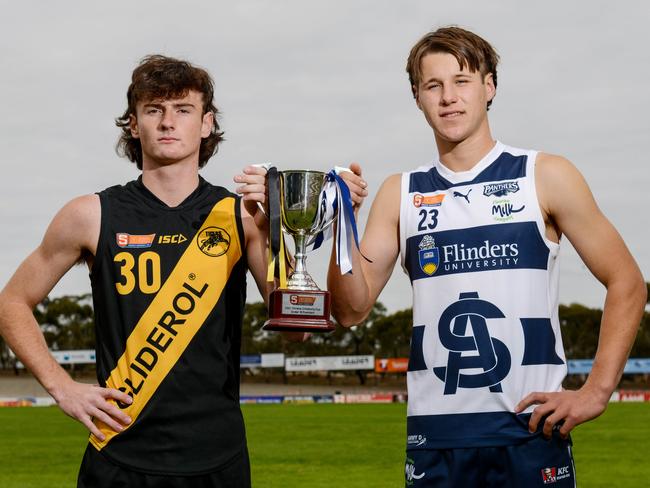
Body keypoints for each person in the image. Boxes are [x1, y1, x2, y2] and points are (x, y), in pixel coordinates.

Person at [325, 27, 646, 486]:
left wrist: (596, 391)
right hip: (435, 441)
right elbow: (351, 310)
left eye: (462, 81)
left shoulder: (545, 174)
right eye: (432, 85)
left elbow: (627, 281)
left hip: (530, 434)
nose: (448, 98)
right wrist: (344, 226)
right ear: (416, 96)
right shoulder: (401, 192)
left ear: (489, 86)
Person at [0, 55, 271, 488]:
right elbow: (11, 302)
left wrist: (282, 228)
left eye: (183, 110)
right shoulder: (90, 214)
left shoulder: (240, 216)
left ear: (206, 124)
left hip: (217, 458)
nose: (168, 122)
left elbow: (296, 324)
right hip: (119, 457)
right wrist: (63, 388)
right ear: (133, 124)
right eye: (154, 109)